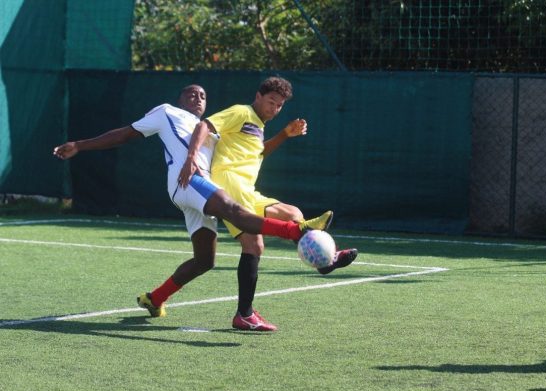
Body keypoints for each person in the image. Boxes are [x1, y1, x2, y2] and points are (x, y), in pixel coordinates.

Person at [53, 84, 333, 328]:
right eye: (191, 93)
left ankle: (155, 299)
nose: (198, 97)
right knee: (235, 210)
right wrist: (80, 144)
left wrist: (282, 135)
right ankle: (297, 232)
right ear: (180, 99)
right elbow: (125, 134)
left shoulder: (214, 134)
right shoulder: (166, 112)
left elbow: (251, 153)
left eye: (203, 95)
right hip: (187, 181)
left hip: (200, 192)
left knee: (205, 260)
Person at [179, 77, 358, 332]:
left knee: (292, 213)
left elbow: (259, 152)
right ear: (258, 96)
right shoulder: (242, 112)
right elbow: (205, 126)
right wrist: (191, 157)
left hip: (248, 191)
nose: (274, 108)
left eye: (280, 105)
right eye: (271, 101)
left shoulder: (257, 125)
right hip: (230, 184)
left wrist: (285, 134)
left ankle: (325, 261)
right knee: (254, 244)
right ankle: (245, 314)